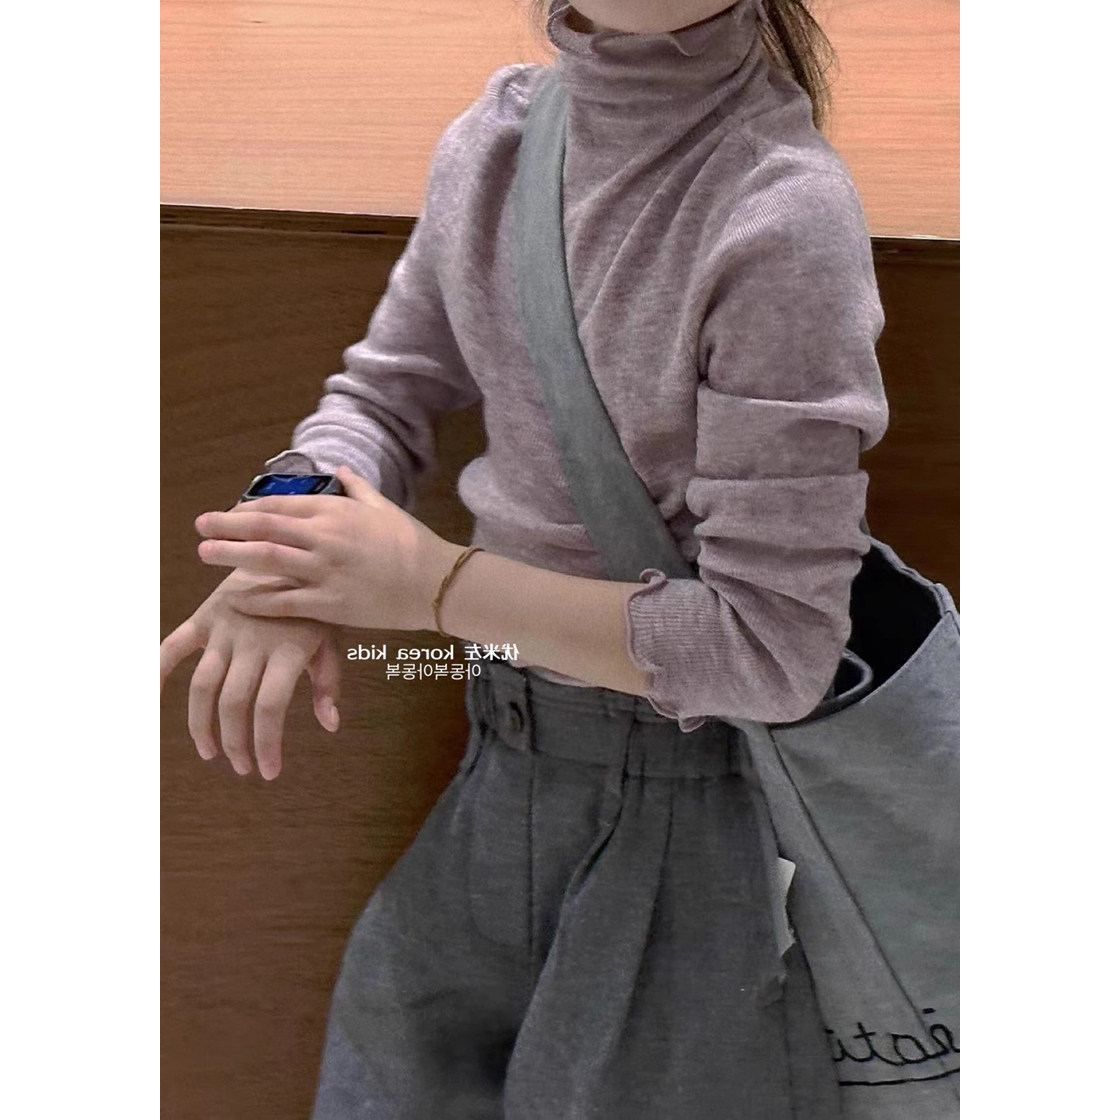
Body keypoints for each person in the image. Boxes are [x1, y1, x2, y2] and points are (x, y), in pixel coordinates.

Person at [160, 0, 889, 1115]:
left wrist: (433, 587)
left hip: (690, 812)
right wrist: (286, 538)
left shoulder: (781, 216)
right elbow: (382, 395)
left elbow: (772, 650)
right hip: (496, 770)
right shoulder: (500, 140)